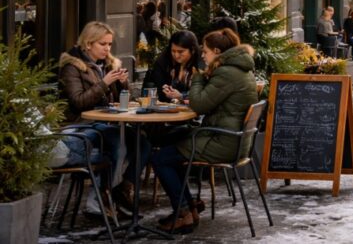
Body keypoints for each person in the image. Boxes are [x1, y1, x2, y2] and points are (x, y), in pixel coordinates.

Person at [151, 29, 258, 234]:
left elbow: (200, 105)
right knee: (172, 143)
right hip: (232, 139)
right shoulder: (239, 69)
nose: (203, 55)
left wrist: (199, 77)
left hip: (223, 141)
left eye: (206, 51)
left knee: (160, 159)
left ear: (217, 51)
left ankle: (183, 213)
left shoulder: (227, 73)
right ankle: (189, 206)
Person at [59, 21, 149, 216]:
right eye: (102, 44)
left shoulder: (109, 64)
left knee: (141, 140)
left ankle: (122, 189)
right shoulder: (72, 67)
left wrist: (123, 84)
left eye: (109, 44)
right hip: (80, 126)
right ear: (88, 43)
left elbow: (121, 102)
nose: (107, 48)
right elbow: (78, 102)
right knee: (117, 141)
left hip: (105, 123)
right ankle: (100, 198)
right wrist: (105, 82)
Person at [148, 30, 202, 104]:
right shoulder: (167, 62)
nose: (176, 55)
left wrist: (181, 96)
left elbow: (203, 95)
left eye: (181, 52)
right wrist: (167, 90)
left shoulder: (201, 65)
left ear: (192, 50)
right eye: (173, 51)